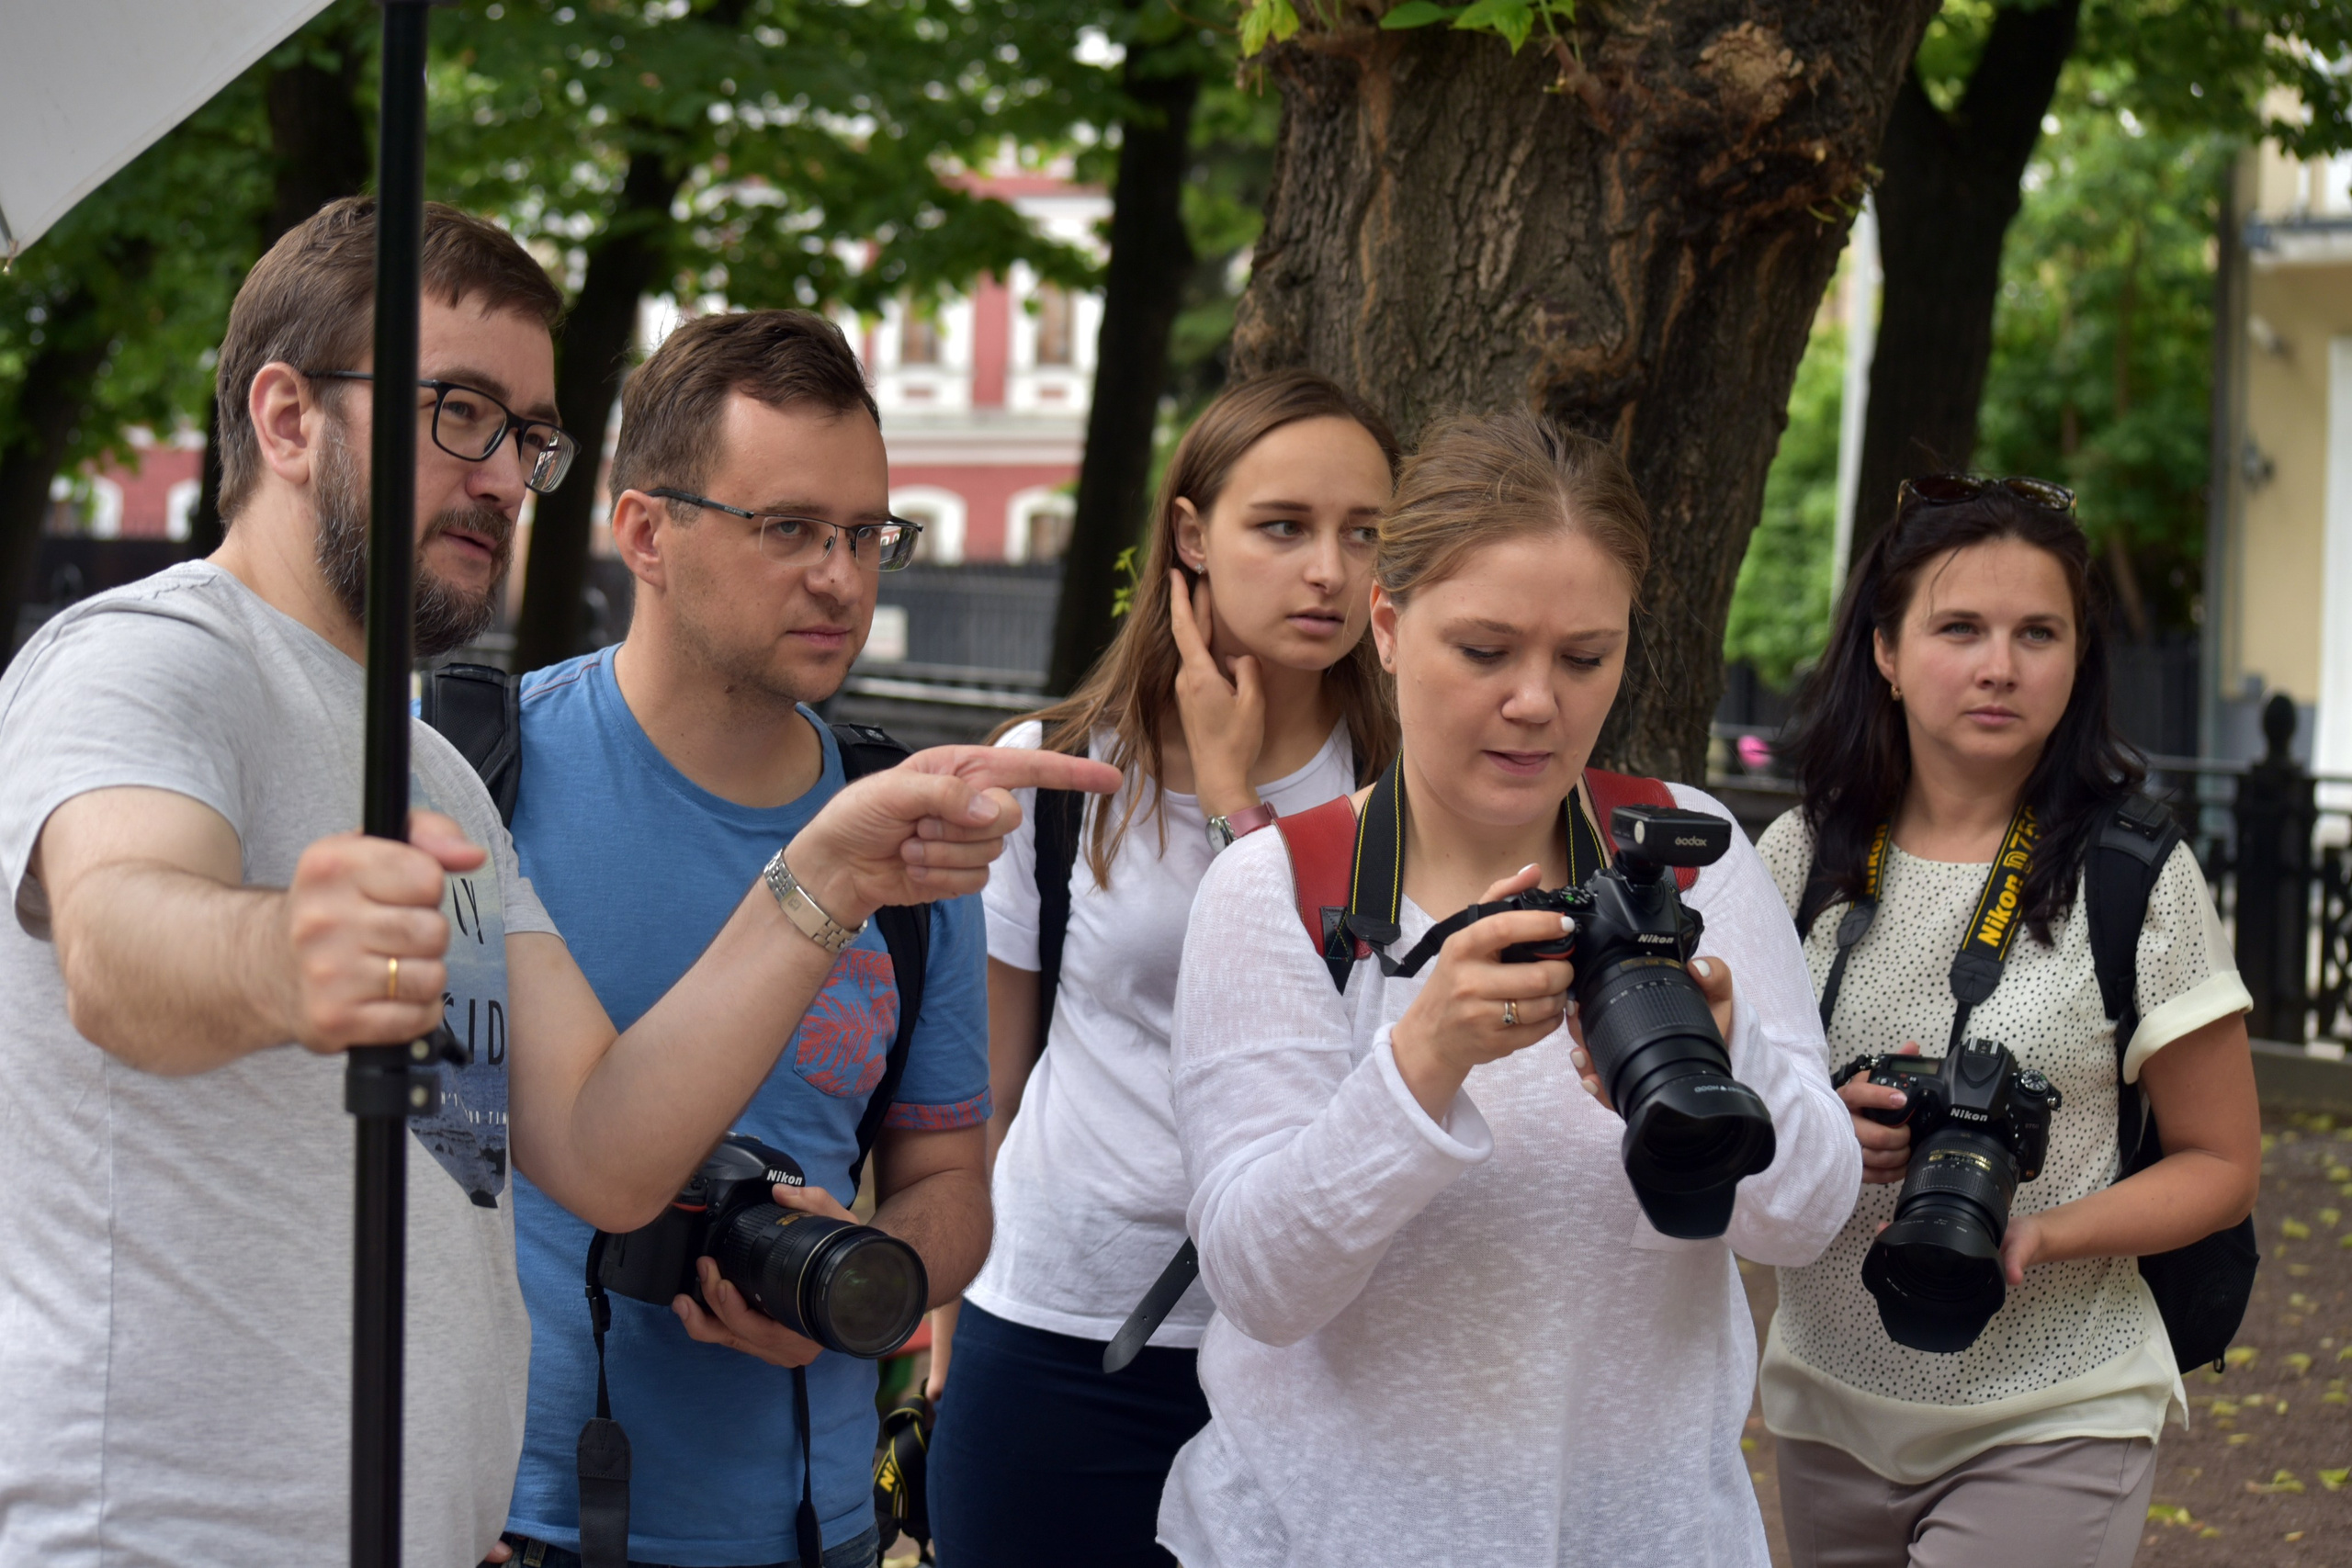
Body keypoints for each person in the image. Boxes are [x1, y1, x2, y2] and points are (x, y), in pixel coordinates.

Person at [0, 199, 1114, 1567]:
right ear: (286, 418)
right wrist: (285, 952)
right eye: (458, 411)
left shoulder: (428, 770)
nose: (506, 475)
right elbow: (117, 944)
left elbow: (602, 1145)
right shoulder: (150, 654)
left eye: (528, 434)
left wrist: (824, 875)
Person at [1157, 411, 1860, 1568]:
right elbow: (1259, 1283)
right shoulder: (1278, 890)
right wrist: (1419, 1063)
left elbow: (1803, 1221)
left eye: (1584, 657)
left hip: (1646, 1539)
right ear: (1385, 625)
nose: (1537, 700)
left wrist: (1740, 1076)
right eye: (1485, 651)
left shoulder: (1693, 858)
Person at [494, 308, 997, 1568]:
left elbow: (952, 1182)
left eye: (865, 532)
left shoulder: (907, 831)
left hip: (809, 1526)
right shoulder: (476, 774)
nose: (841, 576)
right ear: (645, 531)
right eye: (788, 529)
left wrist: (864, 1285)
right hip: (501, 1515)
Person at [922, 370, 1401, 1567]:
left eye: (1365, 532)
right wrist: (945, 1322)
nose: (1329, 571)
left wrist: (1243, 804)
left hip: (1314, 1343)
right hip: (1051, 1321)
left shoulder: (1413, 785)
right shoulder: (1059, 771)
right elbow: (986, 1082)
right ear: (1192, 534)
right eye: (1284, 526)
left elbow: (1363, 1026)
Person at [1756, 476, 2261, 1568]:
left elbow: (2222, 1161)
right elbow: (1743, 1110)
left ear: (2078, 659)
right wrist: (1823, 1128)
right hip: (1826, 1398)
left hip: (2055, 1402)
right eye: (1958, 628)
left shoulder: (2135, 874)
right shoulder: (1799, 858)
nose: (1999, 665)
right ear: (1885, 652)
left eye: (2038, 632)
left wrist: (2043, 1231)